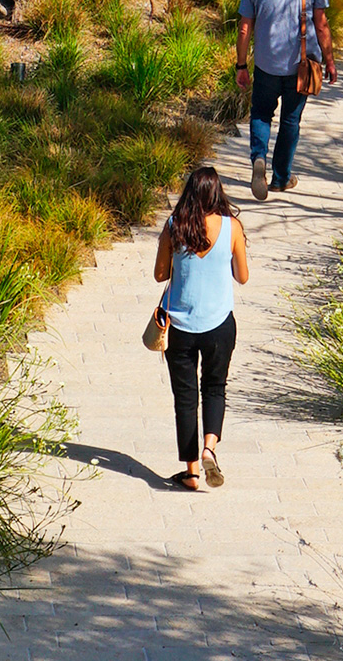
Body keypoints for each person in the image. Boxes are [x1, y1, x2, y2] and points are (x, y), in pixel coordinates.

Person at [154, 166, 249, 491]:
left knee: (185, 398)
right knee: (214, 387)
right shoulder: (232, 227)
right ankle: (210, 447)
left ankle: (192, 473)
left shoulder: (174, 226)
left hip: (180, 326)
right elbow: (243, 276)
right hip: (220, 324)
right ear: (217, 193)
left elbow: (159, 274)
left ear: (189, 193)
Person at [235, 0, 338, 200]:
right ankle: (281, 178)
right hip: (300, 67)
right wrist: (329, 61)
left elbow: (245, 29)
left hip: (266, 66)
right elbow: (322, 24)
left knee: (260, 113)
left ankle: (259, 158)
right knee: (290, 120)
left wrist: (241, 65)